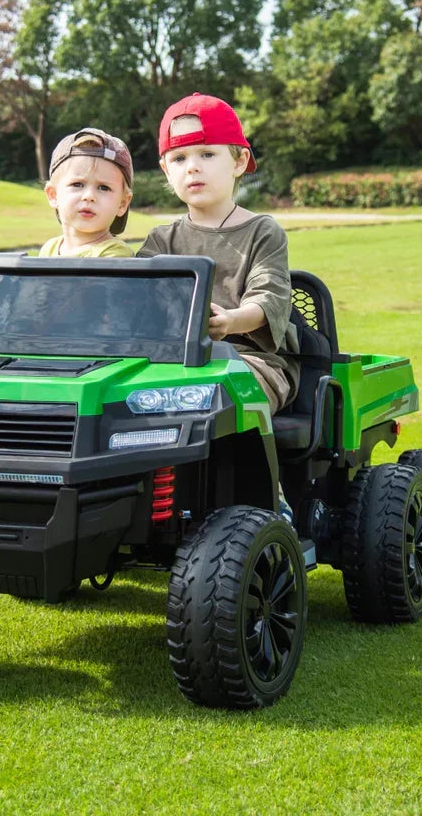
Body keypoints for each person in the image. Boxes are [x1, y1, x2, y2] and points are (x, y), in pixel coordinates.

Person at [138, 94, 300, 524]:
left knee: (224, 387)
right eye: (179, 158)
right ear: (165, 171)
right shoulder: (161, 241)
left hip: (252, 361)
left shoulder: (262, 232)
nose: (192, 167)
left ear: (240, 161)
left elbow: (267, 298)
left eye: (207, 154)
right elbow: (134, 300)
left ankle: (271, 497)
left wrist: (228, 322)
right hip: (178, 365)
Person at [39, 127, 135, 257]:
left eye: (103, 187)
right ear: (53, 195)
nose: (89, 196)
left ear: (122, 203)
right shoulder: (49, 249)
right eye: (77, 184)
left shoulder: (115, 254)